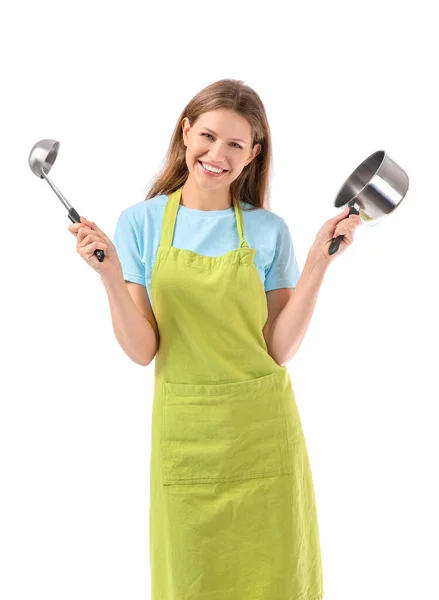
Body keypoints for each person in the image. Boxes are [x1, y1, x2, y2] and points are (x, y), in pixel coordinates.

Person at [68, 78, 361, 600]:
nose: (216, 154)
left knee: (276, 579)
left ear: (253, 154)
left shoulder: (269, 230)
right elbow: (142, 350)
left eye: (235, 144)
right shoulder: (140, 224)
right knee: (191, 579)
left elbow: (281, 348)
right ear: (185, 133)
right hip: (187, 435)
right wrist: (111, 276)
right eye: (207, 136)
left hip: (263, 433)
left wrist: (319, 262)